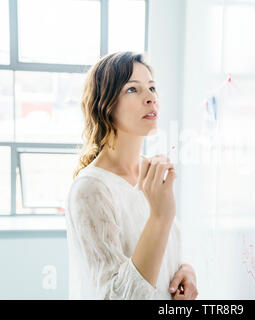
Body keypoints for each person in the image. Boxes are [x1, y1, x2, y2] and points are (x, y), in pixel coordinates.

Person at [64, 51, 198, 300]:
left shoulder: (150, 176)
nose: (150, 98)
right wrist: (161, 216)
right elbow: (116, 296)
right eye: (133, 90)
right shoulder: (90, 189)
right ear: (105, 104)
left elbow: (161, 257)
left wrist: (185, 271)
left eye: (152, 88)